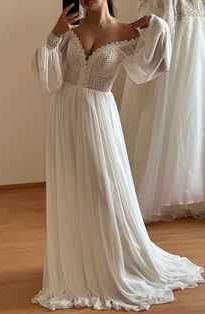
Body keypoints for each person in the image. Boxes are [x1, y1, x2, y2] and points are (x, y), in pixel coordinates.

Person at [31, 0, 204, 311]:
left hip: (99, 117)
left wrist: (157, 26)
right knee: (71, 186)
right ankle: (79, 263)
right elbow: (49, 78)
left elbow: (150, 69)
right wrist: (55, 34)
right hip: (64, 113)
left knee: (102, 188)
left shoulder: (126, 32)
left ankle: (111, 263)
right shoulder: (69, 30)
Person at [120, 0, 205, 223]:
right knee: (158, 110)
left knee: (191, 115)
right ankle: (150, 191)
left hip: (194, 43)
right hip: (169, 36)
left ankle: (191, 191)